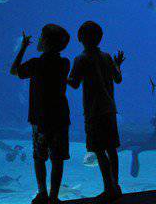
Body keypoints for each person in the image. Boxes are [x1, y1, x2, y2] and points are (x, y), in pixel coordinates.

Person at [10, 24, 71, 204]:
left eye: (41, 37)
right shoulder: (64, 63)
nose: (38, 39)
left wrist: (23, 48)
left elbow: (14, 71)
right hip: (60, 118)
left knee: (39, 157)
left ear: (45, 42)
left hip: (40, 119)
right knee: (57, 158)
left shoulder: (36, 64)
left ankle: (42, 193)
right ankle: (54, 197)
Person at [68, 21, 124, 203]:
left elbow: (75, 84)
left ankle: (109, 188)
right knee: (112, 149)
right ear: (100, 38)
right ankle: (116, 186)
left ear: (80, 38)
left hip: (93, 111)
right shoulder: (107, 57)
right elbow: (118, 79)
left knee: (99, 150)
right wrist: (118, 65)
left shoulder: (80, 59)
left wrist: (61, 75)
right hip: (109, 109)